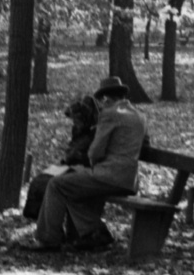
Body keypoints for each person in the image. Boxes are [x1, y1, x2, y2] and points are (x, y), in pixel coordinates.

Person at [18, 77, 146, 253]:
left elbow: (95, 152)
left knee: (57, 184)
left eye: (102, 101)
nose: (101, 105)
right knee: (72, 188)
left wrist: (88, 167)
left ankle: (48, 239)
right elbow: (145, 144)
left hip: (109, 176)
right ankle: (94, 232)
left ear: (106, 98)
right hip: (130, 180)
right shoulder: (140, 116)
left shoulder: (110, 115)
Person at [21, 94, 98, 224]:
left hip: (84, 169)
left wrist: (79, 157)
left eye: (77, 120)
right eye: (74, 120)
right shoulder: (78, 130)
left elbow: (94, 156)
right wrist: (69, 157)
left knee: (52, 184)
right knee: (39, 180)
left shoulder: (95, 132)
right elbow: (73, 148)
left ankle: (49, 225)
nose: (75, 123)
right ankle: (38, 218)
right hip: (70, 165)